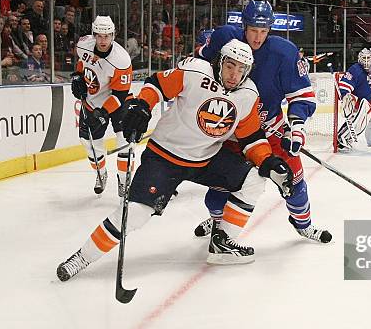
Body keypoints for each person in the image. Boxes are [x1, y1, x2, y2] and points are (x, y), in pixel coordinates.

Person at [56, 40, 294, 279]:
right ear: (219, 62)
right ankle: (81, 257)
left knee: (255, 178)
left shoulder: (248, 94)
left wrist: (267, 161)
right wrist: (142, 105)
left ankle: (223, 243)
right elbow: (157, 85)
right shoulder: (194, 71)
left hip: (206, 158)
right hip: (164, 156)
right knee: (136, 212)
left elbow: (251, 138)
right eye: (230, 66)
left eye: (242, 69)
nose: (235, 75)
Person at [195, 0, 331, 243]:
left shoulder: (284, 52)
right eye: (253, 30)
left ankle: (303, 225)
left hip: (272, 130)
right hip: (233, 132)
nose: (258, 38)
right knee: (216, 193)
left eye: (264, 31)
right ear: (244, 26)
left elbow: (301, 95)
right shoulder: (225, 39)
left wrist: (297, 127)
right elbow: (199, 65)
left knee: (294, 184)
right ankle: (219, 222)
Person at [71, 15, 133, 196]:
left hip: (119, 101)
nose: (103, 40)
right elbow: (82, 63)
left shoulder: (121, 60)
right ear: (93, 35)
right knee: (88, 142)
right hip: (93, 100)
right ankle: (101, 173)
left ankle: (124, 181)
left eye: (106, 36)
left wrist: (104, 112)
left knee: (125, 141)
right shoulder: (83, 44)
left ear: (113, 35)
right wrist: (77, 75)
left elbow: (120, 94)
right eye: (99, 36)